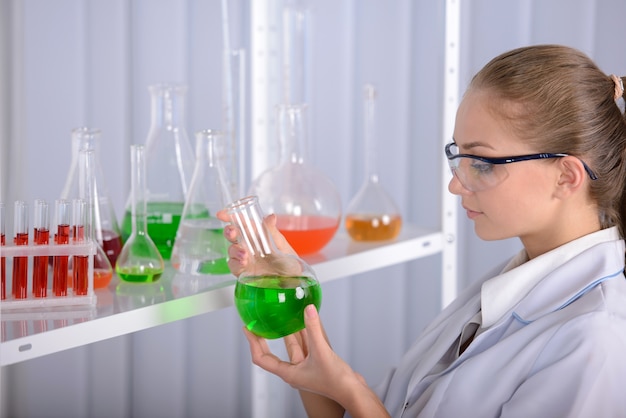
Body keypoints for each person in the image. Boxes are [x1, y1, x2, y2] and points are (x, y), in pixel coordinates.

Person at [218, 44, 626, 417]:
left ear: (566, 176)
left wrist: (352, 391)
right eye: (458, 157)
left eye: (481, 163)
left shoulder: (595, 340)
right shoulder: (501, 291)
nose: (455, 183)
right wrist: (294, 306)